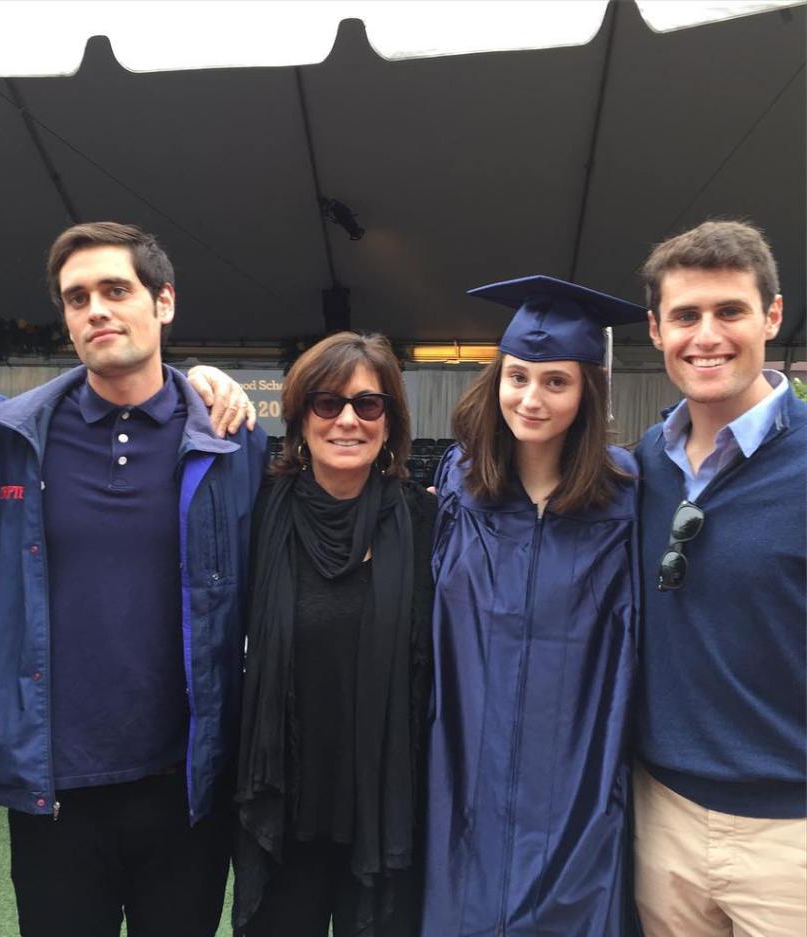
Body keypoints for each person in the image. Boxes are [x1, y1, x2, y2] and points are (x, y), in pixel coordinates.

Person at [0, 221, 266, 937]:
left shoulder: (232, 437)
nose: (94, 308)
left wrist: (211, 384)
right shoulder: (7, 438)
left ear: (164, 302)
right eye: (76, 297)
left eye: (115, 289)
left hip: (186, 790)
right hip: (55, 791)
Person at [422, 276, 646, 936]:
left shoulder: (626, 496)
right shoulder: (460, 484)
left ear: (587, 391)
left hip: (581, 770)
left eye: (556, 381)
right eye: (518, 376)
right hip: (466, 766)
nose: (532, 398)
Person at [633, 220, 806, 937]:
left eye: (730, 311)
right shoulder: (643, 462)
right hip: (661, 814)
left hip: (789, 835)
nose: (707, 335)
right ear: (655, 330)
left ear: (772, 315)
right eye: (686, 315)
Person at [233, 331, 436, 937]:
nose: (348, 419)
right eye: (327, 404)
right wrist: (201, 379)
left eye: (368, 405)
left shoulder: (426, 521)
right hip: (284, 804)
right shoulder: (259, 510)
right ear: (299, 417)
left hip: (384, 804)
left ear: (389, 421)